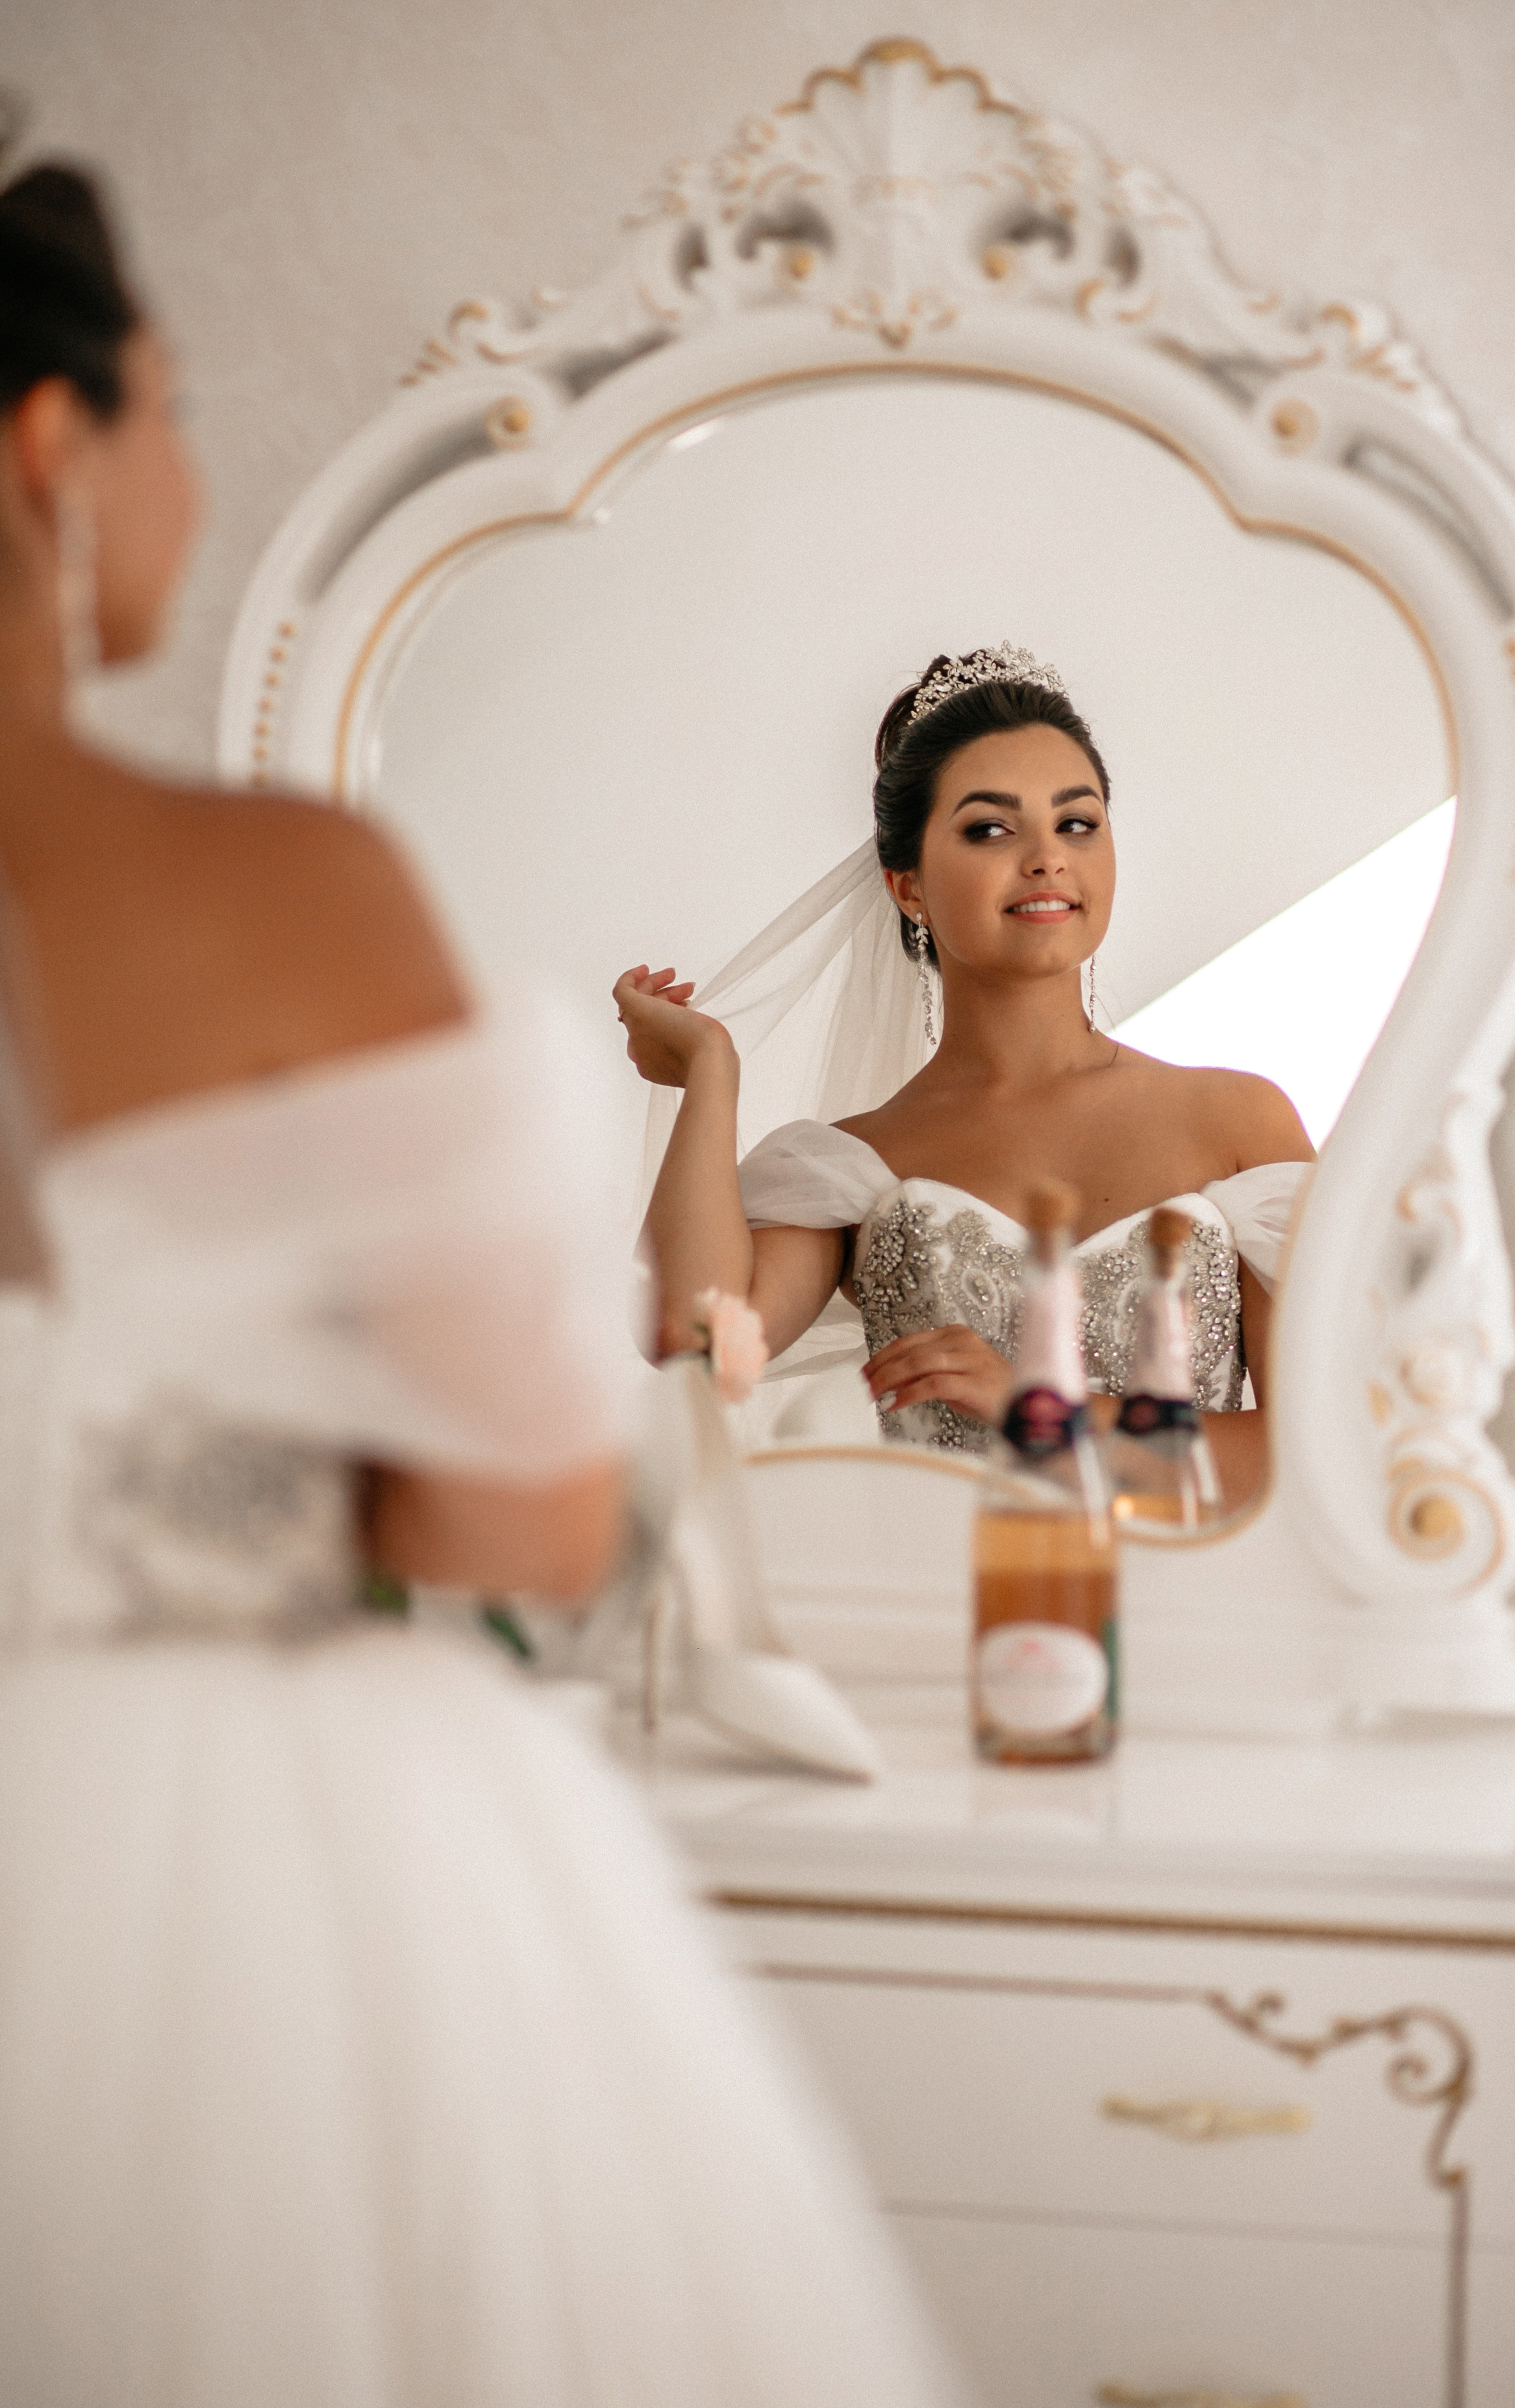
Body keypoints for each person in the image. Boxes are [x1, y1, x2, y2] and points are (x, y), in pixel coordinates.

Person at [0, 159, 961, 2408]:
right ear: (52, 443)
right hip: (206, 1874)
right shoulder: (274, 895)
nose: (187, 467)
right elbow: (515, 1517)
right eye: (173, 407)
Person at [617, 644, 1315, 1507]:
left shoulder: (1237, 1123)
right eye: (990, 829)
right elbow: (690, 1341)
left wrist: (1043, 1412)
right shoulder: (852, 1169)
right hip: (934, 1586)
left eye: (1077, 822)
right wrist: (709, 1070)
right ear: (907, 887)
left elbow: (1312, 1451)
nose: (1047, 857)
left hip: (1188, 1589)